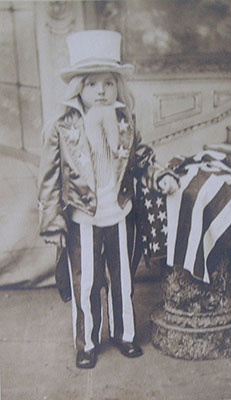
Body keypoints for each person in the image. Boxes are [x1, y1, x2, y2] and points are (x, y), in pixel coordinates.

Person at [38, 30, 179, 369]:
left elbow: (140, 156)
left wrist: (159, 174)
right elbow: (49, 178)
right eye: (92, 84)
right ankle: (87, 343)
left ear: (118, 87)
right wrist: (53, 222)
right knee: (86, 282)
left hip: (118, 213)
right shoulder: (64, 127)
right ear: (79, 90)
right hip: (82, 218)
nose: (101, 91)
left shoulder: (124, 122)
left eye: (108, 83)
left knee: (122, 279)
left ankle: (125, 334)